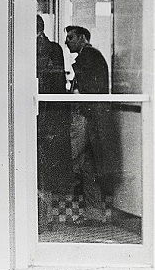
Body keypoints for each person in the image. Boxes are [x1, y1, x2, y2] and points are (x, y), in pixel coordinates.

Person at [65, 25, 120, 225]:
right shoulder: (92, 56)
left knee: (71, 156)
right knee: (89, 164)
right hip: (94, 117)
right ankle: (93, 211)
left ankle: (53, 201)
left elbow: (88, 89)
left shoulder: (87, 57)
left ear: (82, 38)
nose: (66, 42)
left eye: (70, 38)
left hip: (88, 117)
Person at [35, 15, 72, 230]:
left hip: (45, 115)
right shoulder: (53, 48)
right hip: (48, 115)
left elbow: (49, 82)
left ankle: (42, 218)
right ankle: (43, 217)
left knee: (43, 165)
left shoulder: (46, 49)